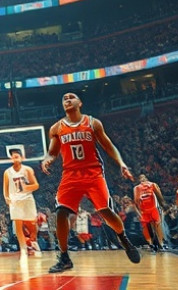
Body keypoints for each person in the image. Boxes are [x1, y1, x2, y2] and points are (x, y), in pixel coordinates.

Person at [41, 92, 141, 273]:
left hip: (93, 173)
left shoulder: (93, 123)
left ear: (80, 102)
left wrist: (122, 164)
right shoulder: (56, 128)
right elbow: (52, 152)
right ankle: (64, 257)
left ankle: (123, 238)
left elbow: (109, 145)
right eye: (64, 98)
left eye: (72, 97)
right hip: (70, 175)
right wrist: (47, 159)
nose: (67, 99)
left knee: (106, 211)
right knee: (61, 212)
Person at [3, 149, 41, 259]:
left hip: (27, 198)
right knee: (18, 224)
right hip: (15, 200)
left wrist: (27, 187)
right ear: (11, 159)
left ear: (22, 158)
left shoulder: (27, 170)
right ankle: (23, 247)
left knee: (32, 224)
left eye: (17, 156)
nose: (15, 158)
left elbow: (36, 185)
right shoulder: (7, 172)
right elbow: (5, 187)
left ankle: (34, 242)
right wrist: (6, 197)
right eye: (13, 156)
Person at [133, 174, 166, 252]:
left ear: (146, 178)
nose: (143, 179)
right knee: (145, 227)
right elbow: (136, 200)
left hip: (153, 208)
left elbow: (159, 195)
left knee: (157, 225)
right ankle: (151, 244)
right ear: (139, 180)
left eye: (144, 177)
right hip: (143, 211)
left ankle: (161, 244)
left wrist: (162, 204)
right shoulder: (136, 188)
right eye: (140, 178)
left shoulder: (153, 185)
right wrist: (138, 212)